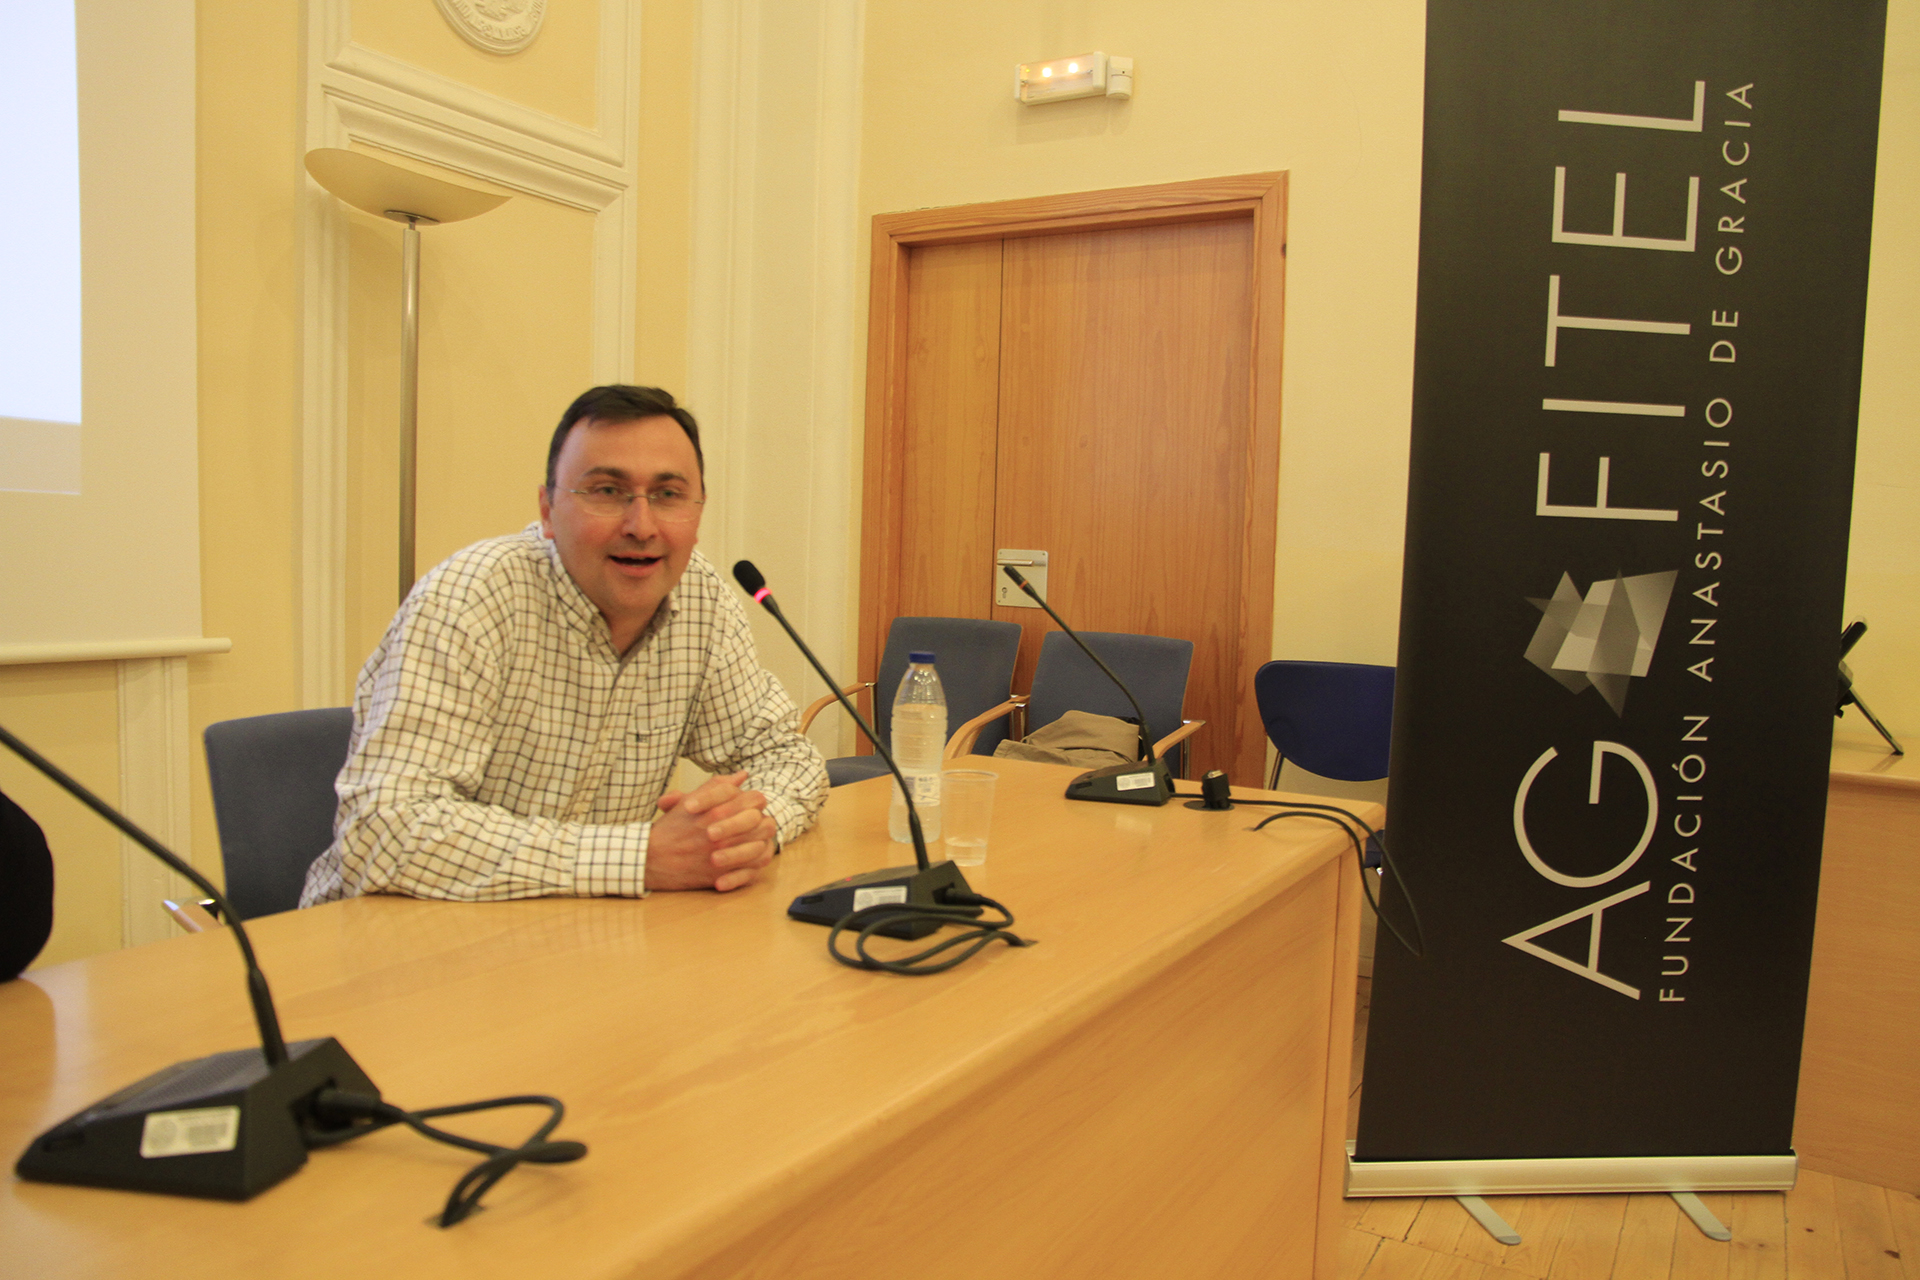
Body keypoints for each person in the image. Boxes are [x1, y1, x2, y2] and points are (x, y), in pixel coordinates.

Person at [300, 386, 827, 905]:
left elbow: (788, 757)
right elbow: (383, 830)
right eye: (607, 491)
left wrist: (742, 832)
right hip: (395, 934)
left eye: (667, 495)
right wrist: (639, 858)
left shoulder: (701, 601)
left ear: (698, 511)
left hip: (576, 932)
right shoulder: (471, 599)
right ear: (548, 511)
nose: (641, 526)